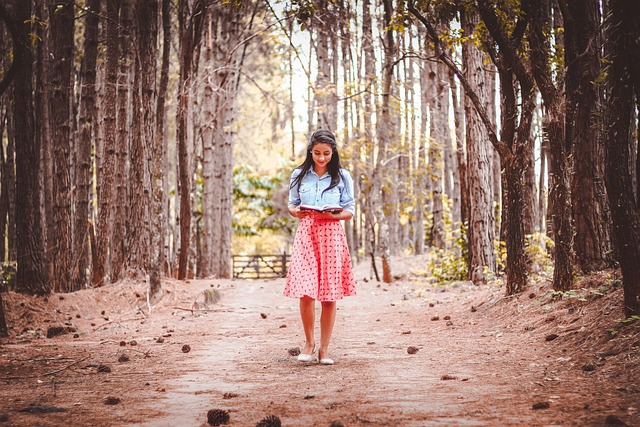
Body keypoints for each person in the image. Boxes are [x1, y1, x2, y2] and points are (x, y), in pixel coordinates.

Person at [284, 129, 356, 365]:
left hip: (332, 235)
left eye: (326, 153)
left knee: (328, 294)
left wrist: (336, 216)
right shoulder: (299, 174)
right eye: (317, 153)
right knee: (306, 291)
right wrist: (297, 211)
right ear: (310, 151)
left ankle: (325, 349)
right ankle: (309, 343)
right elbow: (292, 205)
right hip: (307, 233)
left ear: (333, 152)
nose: (321, 158)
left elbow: (350, 209)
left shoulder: (343, 176)